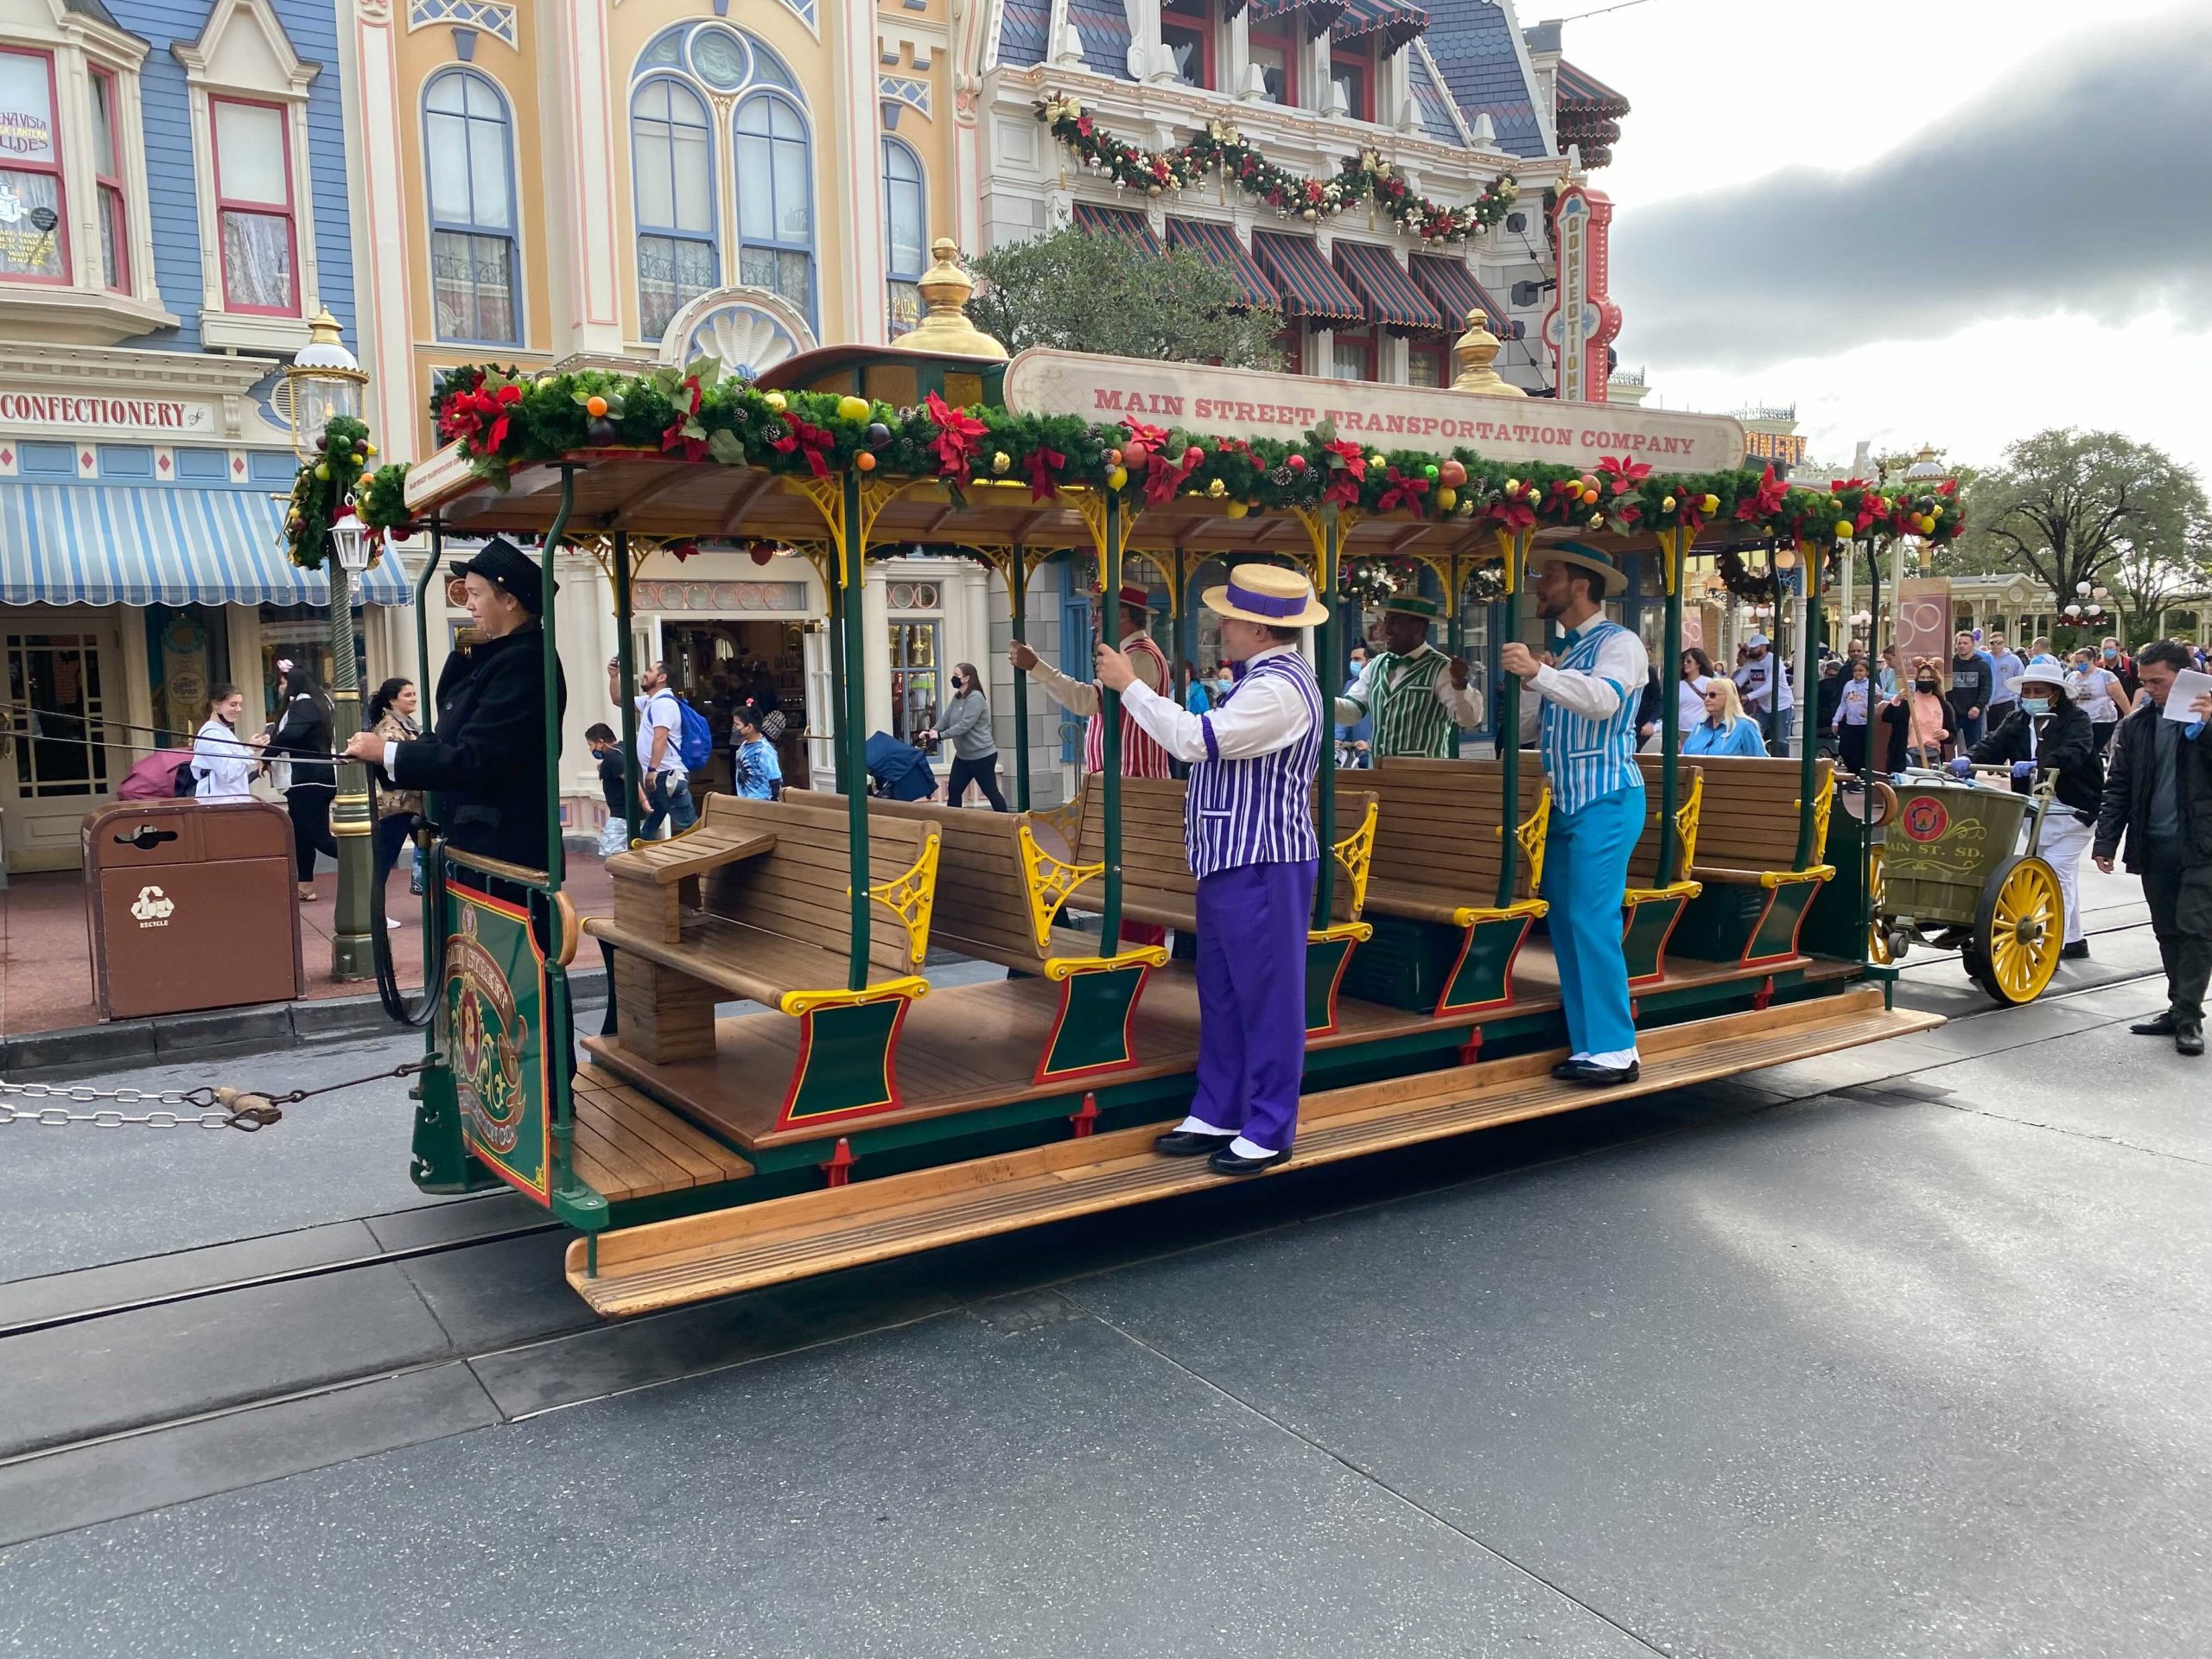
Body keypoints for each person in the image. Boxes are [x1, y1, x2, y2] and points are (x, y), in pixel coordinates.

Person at [1096, 564, 1331, 1175]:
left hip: (1265, 860)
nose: (1221, 625)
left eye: (1229, 617)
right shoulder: (1263, 679)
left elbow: (1197, 741)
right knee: (1222, 992)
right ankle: (1219, 1109)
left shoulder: (1279, 689)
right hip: (1232, 856)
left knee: (1269, 998)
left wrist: (1131, 687)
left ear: (1258, 627)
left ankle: (1271, 1125)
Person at [1506, 538, 1648, 1086]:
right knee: (1566, 921)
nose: (1541, 586)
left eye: (1550, 575)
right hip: (1566, 803)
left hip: (1607, 799)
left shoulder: (1621, 643)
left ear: (1580, 585)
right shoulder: (1570, 651)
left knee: (1592, 919)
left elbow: (1605, 700)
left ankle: (1616, 1048)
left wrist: (1540, 676)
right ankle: (1589, 1043)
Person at [344, 537, 567, 872]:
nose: (469, 605)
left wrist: (387, 753)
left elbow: (476, 757)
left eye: (477, 594)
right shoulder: (494, 656)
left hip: (505, 849)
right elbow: (448, 729)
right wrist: (468, 649)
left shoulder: (525, 661)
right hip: (474, 845)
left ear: (509, 601)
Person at [1010, 582, 1173, 946]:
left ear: (1123, 615)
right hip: (1118, 784)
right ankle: (1128, 949)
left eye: (1100, 610)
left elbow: (1090, 701)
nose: (1094, 619)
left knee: (1131, 880)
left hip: (1134, 785)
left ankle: (1138, 953)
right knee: (1119, 876)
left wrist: (1038, 667)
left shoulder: (1141, 657)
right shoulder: (1125, 654)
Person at [2093, 640, 2212, 1056]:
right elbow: (2119, 786)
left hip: (2202, 845)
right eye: (2144, 682)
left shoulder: (2207, 716)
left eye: (2157, 682)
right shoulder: (2139, 723)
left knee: (2196, 930)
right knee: (2167, 931)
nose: (2149, 690)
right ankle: (2179, 1007)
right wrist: (2106, 840)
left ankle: (2190, 1015)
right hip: (2154, 843)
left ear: (2187, 675)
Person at [1963, 659, 2102, 959]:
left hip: (2073, 809)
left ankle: (2053, 943)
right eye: (2027, 690)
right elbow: (1992, 745)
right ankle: (2074, 939)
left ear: (2055, 693)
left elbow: (2075, 752)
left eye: (2038, 690)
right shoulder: (2016, 720)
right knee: (2059, 873)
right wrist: (1968, 758)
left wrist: (2042, 764)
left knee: (2052, 873)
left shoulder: (2076, 720)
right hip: (2034, 808)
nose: (2031, 696)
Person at [1332, 595, 1482, 760]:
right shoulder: (1376, 665)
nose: (1386, 630)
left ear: (1418, 628)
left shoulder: (1442, 668)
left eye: (1395, 622)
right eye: (1386, 621)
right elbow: (1353, 712)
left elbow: (1469, 720)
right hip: (1378, 775)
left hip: (1423, 777)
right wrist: (1322, 698)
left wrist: (1460, 685)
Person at [266, 660, 337, 902]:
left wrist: (266, 755)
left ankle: (364, 862)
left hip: (308, 779)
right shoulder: (320, 701)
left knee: (318, 836)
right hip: (311, 779)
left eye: (283, 682)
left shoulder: (305, 704)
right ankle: (304, 886)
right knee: (302, 836)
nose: (281, 687)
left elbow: (291, 736)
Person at [606, 657, 696, 841]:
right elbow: (619, 700)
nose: (645, 674)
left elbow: (660, 737)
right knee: (651, 824)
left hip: (666, 774)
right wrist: (614, 677)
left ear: (662, 678)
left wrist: (652, 770)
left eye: (650, 671)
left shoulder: (663, 703)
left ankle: (706, 863)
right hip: (660, 775)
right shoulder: (650, 701)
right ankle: (640, 856)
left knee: (689, 826)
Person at [366, 677, 423, 924]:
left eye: (413, 694)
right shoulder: (390, 727)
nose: (413, 699)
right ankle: (372, 915)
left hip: (409, 802)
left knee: (429, 851)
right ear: (393, 700)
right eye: (407, 695)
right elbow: (394, 763)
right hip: (395, 804)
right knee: (383, 861)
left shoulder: (404, 723)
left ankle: (437, 904)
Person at [929, 663, 1005, 810]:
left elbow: (965, 725)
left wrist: (940, 736)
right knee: (954, 791)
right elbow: (946, 719)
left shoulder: (975, 698)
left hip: (982, 756)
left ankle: (1008, 824)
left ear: (967, 678)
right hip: (963, 756)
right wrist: (932, 731)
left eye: (956, 676)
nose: (953, 678)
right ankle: (955, 827)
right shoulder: (958, 697)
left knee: (991, 792)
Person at [189, 683, 264, 803]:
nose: (238, 709)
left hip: (231, 801)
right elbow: (228, 772)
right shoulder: (210, 734)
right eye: (233, 704)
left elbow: (234, 765)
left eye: (240, 704)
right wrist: (250, 750)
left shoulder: (222, 730)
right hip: (219, 803)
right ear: (216, 705)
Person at [1732, 632, 1793, 757]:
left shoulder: (1774, 661)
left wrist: (1747, 697)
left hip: (1781, 706)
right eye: (1751, 647)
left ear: (1764, 647)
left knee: (1781, 740)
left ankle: (1783, 767)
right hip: (1763, 706)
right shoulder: (1750, 664)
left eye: (1755, 647)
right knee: (1753, 732)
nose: (1752, 650)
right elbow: (1739, 680)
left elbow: (1770, 686)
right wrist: (1731, 688)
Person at [1684, 676, 1770, 757]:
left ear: (1729, 697)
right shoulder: (1699, 726)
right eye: (1705, 695)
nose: (1707, 699)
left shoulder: (1746, 726)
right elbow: (1684, 757)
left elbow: (1761, 764)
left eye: (1713, 695)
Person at [2067, 649, 2126, 754]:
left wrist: (2128, 716)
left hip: (2102, 720)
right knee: (2082, 750)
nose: (2080, 665)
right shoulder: (2072, 677)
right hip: (2080, 720)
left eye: (2082, 662)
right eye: (2077, 662)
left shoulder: (2105, 676)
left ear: (2092, 660)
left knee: (2092, 750)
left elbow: (2120, 697)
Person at [1946, 630, 1997, 751]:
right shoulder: (1950, 665)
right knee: (1949, 745)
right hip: (1953, 712)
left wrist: (1978, 707)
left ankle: (1971, 769)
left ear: (1973, 644)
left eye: (1965, 643)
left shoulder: (1982, 665)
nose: (1962, 646)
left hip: (1973, 712)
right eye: (1959, 643)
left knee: (1973, 746)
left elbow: (1986, 688)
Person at [585, 722, 629, 856]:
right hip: (625, 813)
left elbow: (631, 780)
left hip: (621, 814)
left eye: (590, 745)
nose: (590, 749)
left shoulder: (612, 757)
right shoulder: (621, 749)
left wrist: (644, 802)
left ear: (600, 742)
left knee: (610, 850)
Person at [730, 702, 784, 800]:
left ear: (749, 727)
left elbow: (775, 781)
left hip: (761, 805)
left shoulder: (764, 751)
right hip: (744, 803)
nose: (735, 728)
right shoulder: (743, 746)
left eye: (737, 725)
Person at [1832, 655, 1873, 774]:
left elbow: (1880, 698)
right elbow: (1843, 704)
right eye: (1855, 671)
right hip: (1851, 724)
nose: (1858, 673)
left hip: (1865, 725)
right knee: (1845, 749)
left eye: (1861, 670)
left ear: (1867, 672)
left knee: (1862, 751)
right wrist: (1836, 720)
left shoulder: (1871, 686)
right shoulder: (1848, 685)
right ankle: (1853, 772)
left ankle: (1861, 775)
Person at [1336, 642, 1373, 768]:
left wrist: (1370, 744)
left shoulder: (1380, 685)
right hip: (1355, 754)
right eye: (1352, 659)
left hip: (1373, 754)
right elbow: (1344, 713)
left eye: (1357, 659)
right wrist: (1337, 738)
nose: (1353, 663)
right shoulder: (1350, 685)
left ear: (1370, 661)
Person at [1986, 632, 2025, 728]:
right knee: (1991, 732)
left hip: (2007, 701)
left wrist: (2017, 697)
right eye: (1992, 643)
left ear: (2004, 643)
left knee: (2006, 729)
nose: (1996, 645)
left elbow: (2021, 679)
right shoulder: (1984, 658)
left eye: (1999, 642)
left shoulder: (2014, 660)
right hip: (1987, 702)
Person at [1675, 647, 1716, 736]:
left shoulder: (1708, 683)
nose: (1685, 664)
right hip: (1681, 731)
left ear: (1698, 663)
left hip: (1702, 730)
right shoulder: (1679, 685)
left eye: (1689, 661)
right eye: (1684, 661)